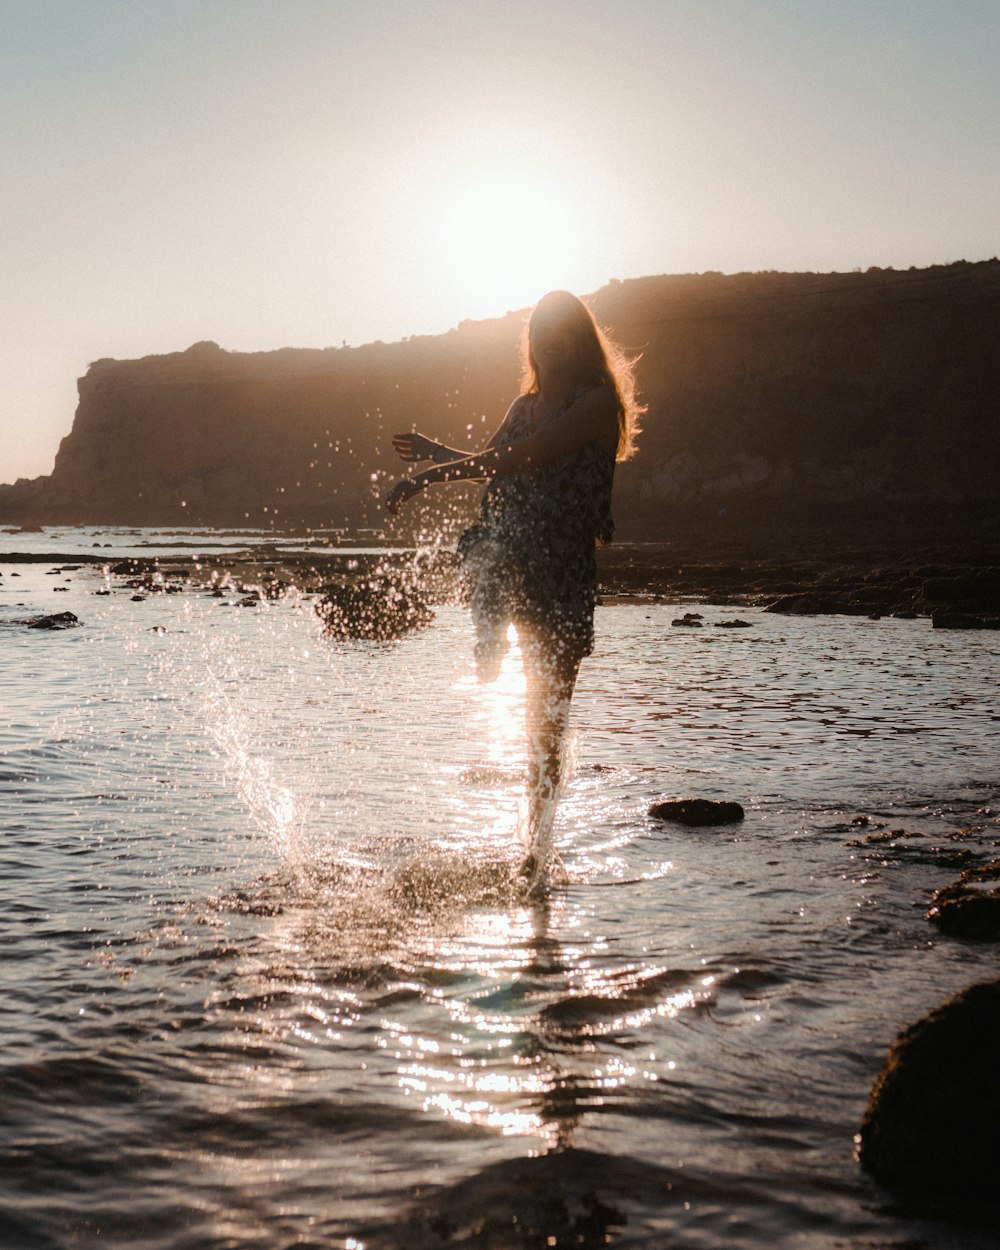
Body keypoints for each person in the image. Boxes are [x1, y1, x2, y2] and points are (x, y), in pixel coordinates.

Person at [385, 290, 643, 890]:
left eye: (564, 334)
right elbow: (499, 458)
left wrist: (428, 475)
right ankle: (489, 629)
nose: (552, 344)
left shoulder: (596, 403)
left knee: (544, 720)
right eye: (541, 334)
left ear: (582, 341)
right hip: (519, 555)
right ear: (532, 343)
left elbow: (523, 459)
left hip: (561, 572)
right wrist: (439, 453)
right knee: (495, 545)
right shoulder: (524, 404)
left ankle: (537, 851)